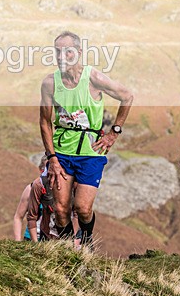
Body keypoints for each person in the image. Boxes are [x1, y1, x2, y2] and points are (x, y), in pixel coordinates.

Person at [39, 31, 134, 248]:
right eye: (57, 52)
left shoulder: (93, 78)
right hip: (62, 153)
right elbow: (45, 121)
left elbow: (127, 96)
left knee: (82, 208)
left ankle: (87, 238)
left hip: (91, 152)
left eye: (68, 51)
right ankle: (67, 252)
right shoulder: (49, 84)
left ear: (79, 52)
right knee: (61, 210)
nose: (62, 56)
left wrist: (114, 132)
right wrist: (51, 157)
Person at [13, 155, 56, 241]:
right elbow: (18, 217)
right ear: (41, 169)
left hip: (52, 240)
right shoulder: (30, 189)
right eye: (46, 168)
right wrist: (17, 242)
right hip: (31, 238)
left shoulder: (60, 191)